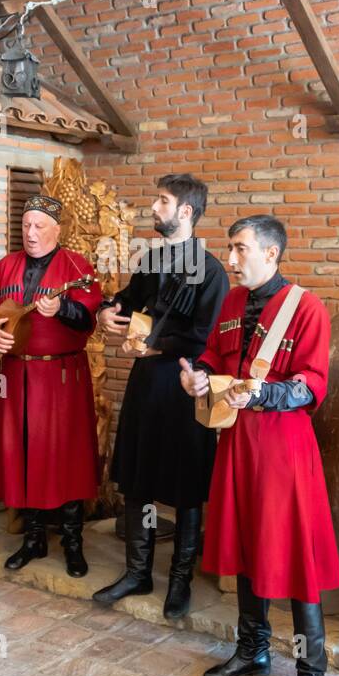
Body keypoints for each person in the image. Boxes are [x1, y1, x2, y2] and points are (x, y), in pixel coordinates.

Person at [180, 214, 339, 676]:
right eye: (229, 249)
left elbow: (312, 385)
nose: (230, 260)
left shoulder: (308, 309)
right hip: (235, 444)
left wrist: (262, 396)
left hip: (283, 449)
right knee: (247, 546)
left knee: (293, 556)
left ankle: (312, 673)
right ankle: (252, 652)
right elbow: (213, 356)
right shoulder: (232, 302)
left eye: (239, 249)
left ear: (271, 253)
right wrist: (197, 377)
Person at [92, 174, 227, 618]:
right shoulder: (150, 261)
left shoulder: (211, 272)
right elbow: (128, 300)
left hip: (188, 385)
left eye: (163, 201)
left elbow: (205, 337)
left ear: (185, 211)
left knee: (187, 486)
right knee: (137, 478)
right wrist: (108, 311)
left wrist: (159, 345)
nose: (154, 206)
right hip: (146, 383)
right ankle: (137, 573)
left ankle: (180, 582)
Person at [0, 194, 102, 577]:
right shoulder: (6, 265)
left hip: (62, 377)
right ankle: (34, 539)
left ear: (58, 230)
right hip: (15, 376)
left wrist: (63, 309)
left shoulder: (77, 265)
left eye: (39, 225)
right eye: (26, 225)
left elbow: (88, 317)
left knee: (66, 455)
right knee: (22, 452)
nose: (31, 232)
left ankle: (73, 543)